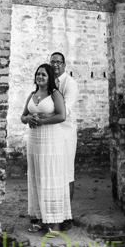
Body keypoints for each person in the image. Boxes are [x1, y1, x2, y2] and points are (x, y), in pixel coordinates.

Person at [21, 63, 71, 233]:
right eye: (38, 74)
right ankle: (42, 219)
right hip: (34, 141)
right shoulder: (32, 94)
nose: (40, 77)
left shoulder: (55, 94)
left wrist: (42, 121)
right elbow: (23, 116)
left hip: (51, 141)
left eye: (43, 75)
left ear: (49, 78)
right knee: (38, 179)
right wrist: (28, 120)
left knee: (51, 178)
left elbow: (62, 115)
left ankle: (55, 223)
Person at [50, 52, 79, 230]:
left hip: (66, 133)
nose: (55, 65)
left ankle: (66, 216)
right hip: (50, 133)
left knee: (67, 174)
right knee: (52, 174)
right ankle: (51, 213)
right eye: (52, 62)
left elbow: (65, 111)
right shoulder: (48, 82)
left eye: (58, 62)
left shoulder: (70, 84)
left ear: (64, 65)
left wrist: (43, 113)